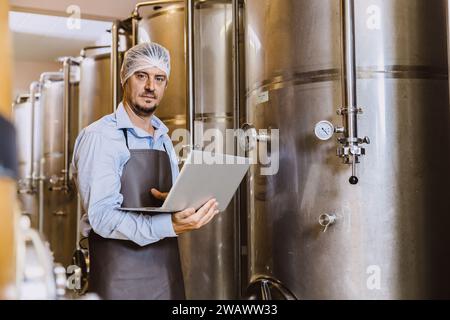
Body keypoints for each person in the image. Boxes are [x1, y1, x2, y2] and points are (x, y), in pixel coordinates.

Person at [71, 42, 219, 300]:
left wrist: (183, 203)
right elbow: (103, 217)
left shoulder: (163, 137)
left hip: (166, 272)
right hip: (117, 275)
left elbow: (164, 203)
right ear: (125, 79)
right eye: (142, 76)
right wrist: (169, 224)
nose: (151, 86)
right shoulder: (101, 136)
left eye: (159, 78)